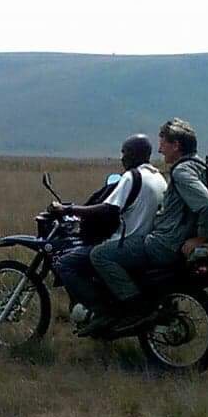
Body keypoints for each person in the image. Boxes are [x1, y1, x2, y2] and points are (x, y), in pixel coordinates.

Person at [83, 118, 208, 334]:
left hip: (164, 244)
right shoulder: (198, 165)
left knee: (100, 255)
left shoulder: (181, 172)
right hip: (175, 239)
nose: (159, 149)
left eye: (163, 143)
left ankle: (134, 308)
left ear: (176, 145)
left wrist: (200, 238)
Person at [51, 135, 167, 336]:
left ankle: (102, 311)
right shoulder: (158, 178)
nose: (122, 157)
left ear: (135, 154)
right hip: (146, 241)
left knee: (66, 263)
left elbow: (108, 209)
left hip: (128, 243)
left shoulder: (132, 177)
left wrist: (68, 209)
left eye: (125, 152)